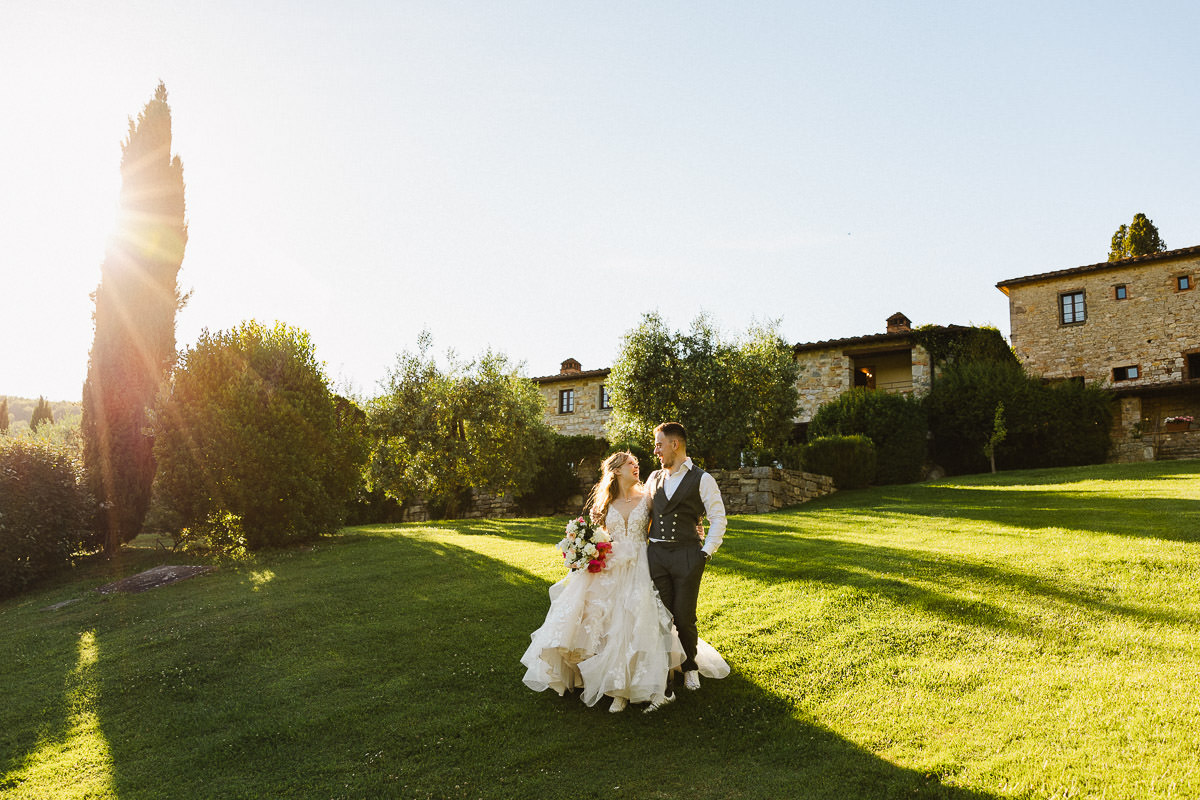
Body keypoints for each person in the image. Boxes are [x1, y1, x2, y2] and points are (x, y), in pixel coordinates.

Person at [521, 451, 686, 712]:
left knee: (636, 619)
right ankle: (614, 686)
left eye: (637, 464)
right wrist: (584, 549)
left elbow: (669, 522)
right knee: (609, 621)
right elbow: (599, 536)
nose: (637, 467)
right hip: (611, 566)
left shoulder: (648, 498)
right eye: (631, 464)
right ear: (617, 470)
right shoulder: (605, 504)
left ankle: (636, 685)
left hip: (641, 564)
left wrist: (694, 527)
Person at [643, 421, 727, 710]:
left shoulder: (702, 479)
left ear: (674, 444)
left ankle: (690, 666)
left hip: (688, 555)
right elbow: (640, 512)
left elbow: (718, 518)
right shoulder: (653, 478)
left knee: (683, 616)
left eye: (659, 444)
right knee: (661, 616)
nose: (656, 450)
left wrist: (705, 552)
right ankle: (665, 670)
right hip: (656, 555)